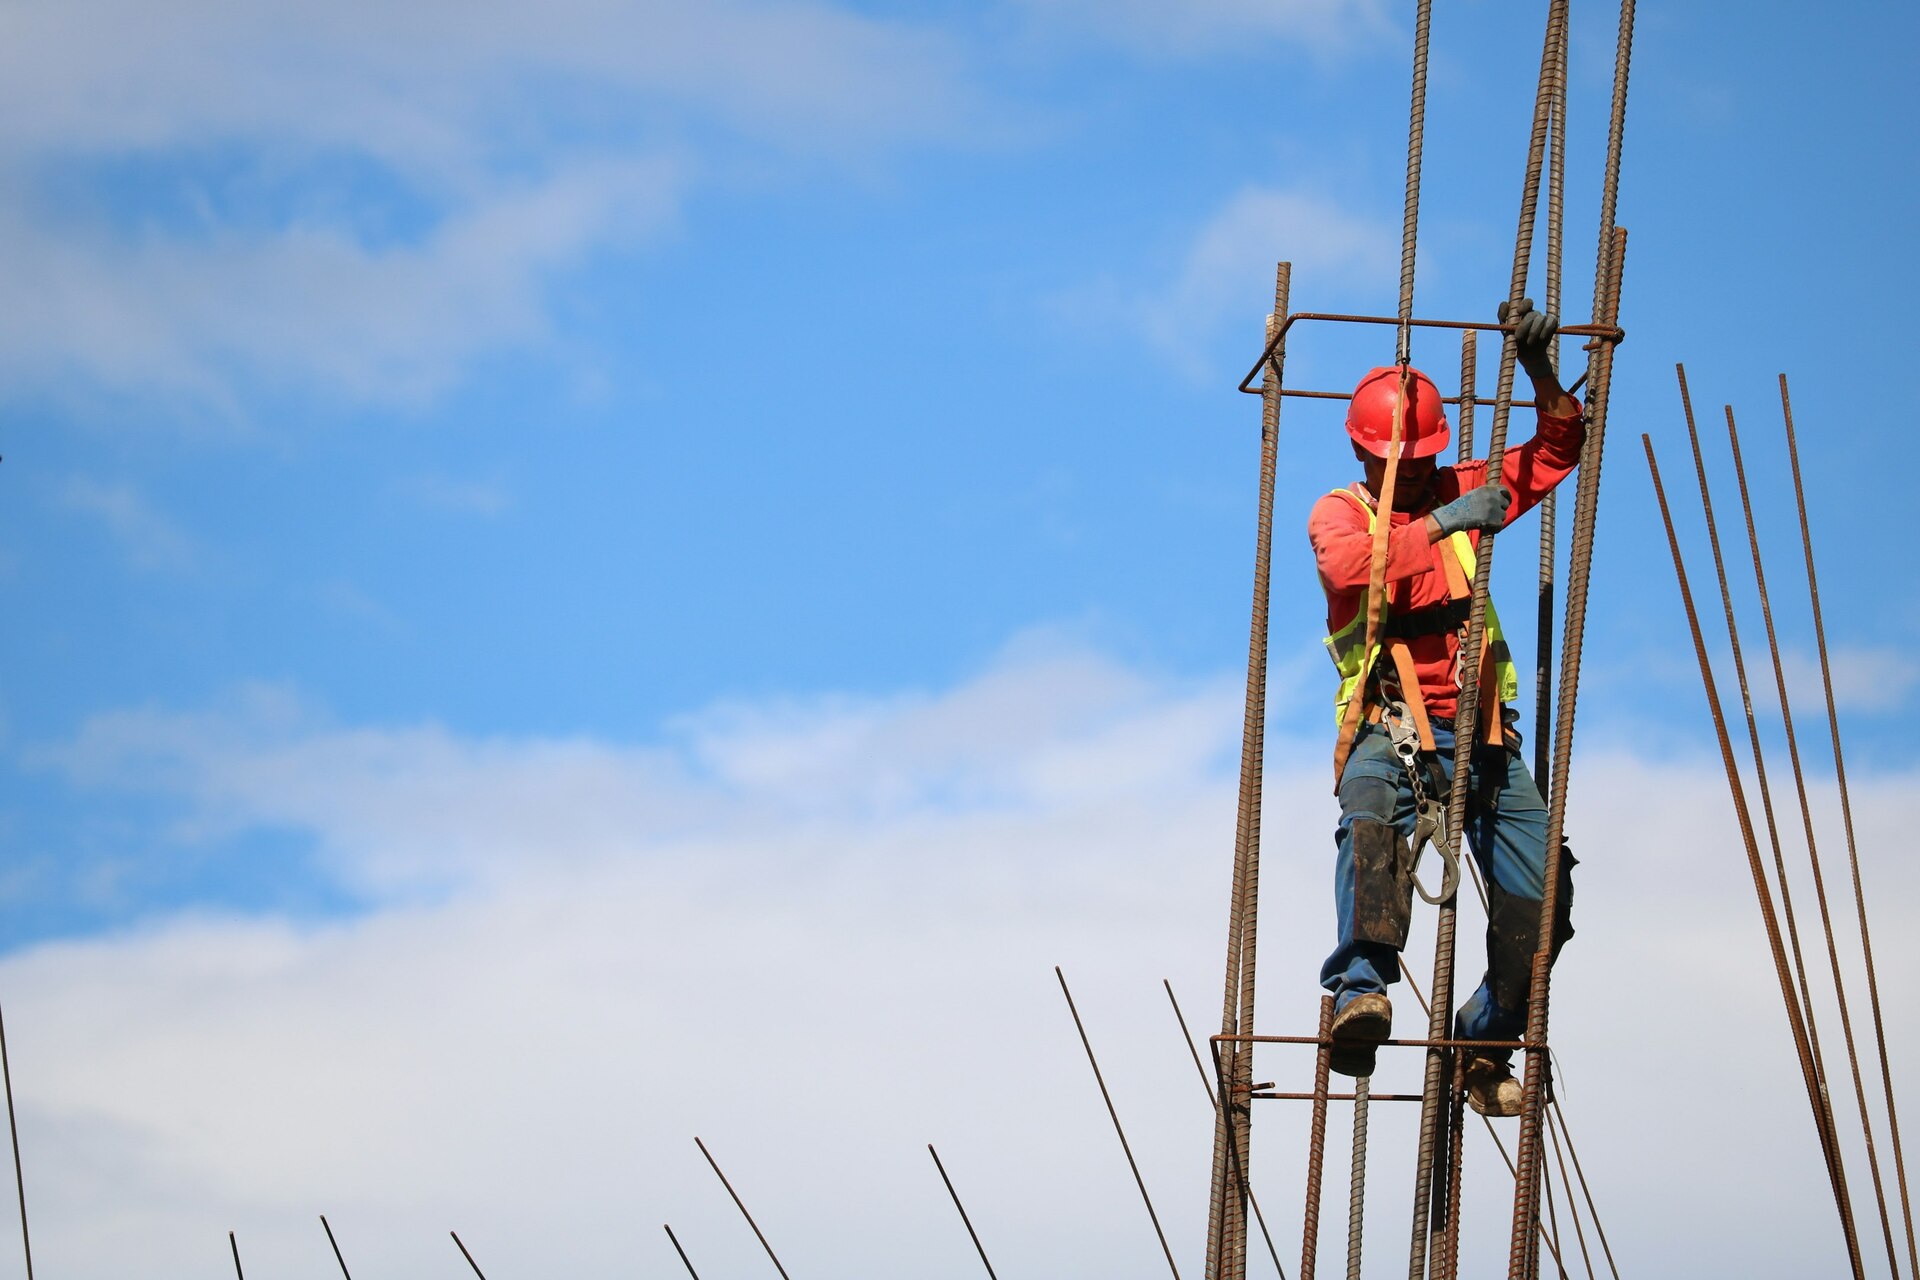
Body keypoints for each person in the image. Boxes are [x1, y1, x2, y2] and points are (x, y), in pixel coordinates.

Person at [1306, 300, 1579, 1116]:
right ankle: (1362, 989)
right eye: (1406, 463)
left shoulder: (1459, 488)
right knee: (1368, 817)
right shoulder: (1340, 514)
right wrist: (1443, 520)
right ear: (1365, 451)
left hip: (1484, 739)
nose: (1421, 475)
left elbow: (1557, 450)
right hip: (1391, 728)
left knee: (1545, 910)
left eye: (1428, 461)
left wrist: (1540, 374)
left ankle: (1482, 1040)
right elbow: (1355, 569)